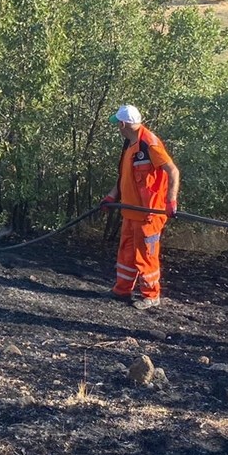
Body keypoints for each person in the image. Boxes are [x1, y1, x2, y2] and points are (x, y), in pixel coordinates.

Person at [100, 105, 180, 310]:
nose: (117, 128)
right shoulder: (129, 145)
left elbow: (173, 171)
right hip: (130, 212)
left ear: (123, 124)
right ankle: (122, 290)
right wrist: (111, 197)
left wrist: (171, 201)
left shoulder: (149, 144)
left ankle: (152, 296)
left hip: (149, 215)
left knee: (146, 256)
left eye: (117, 124)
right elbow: (124, 177)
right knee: (126, 253)